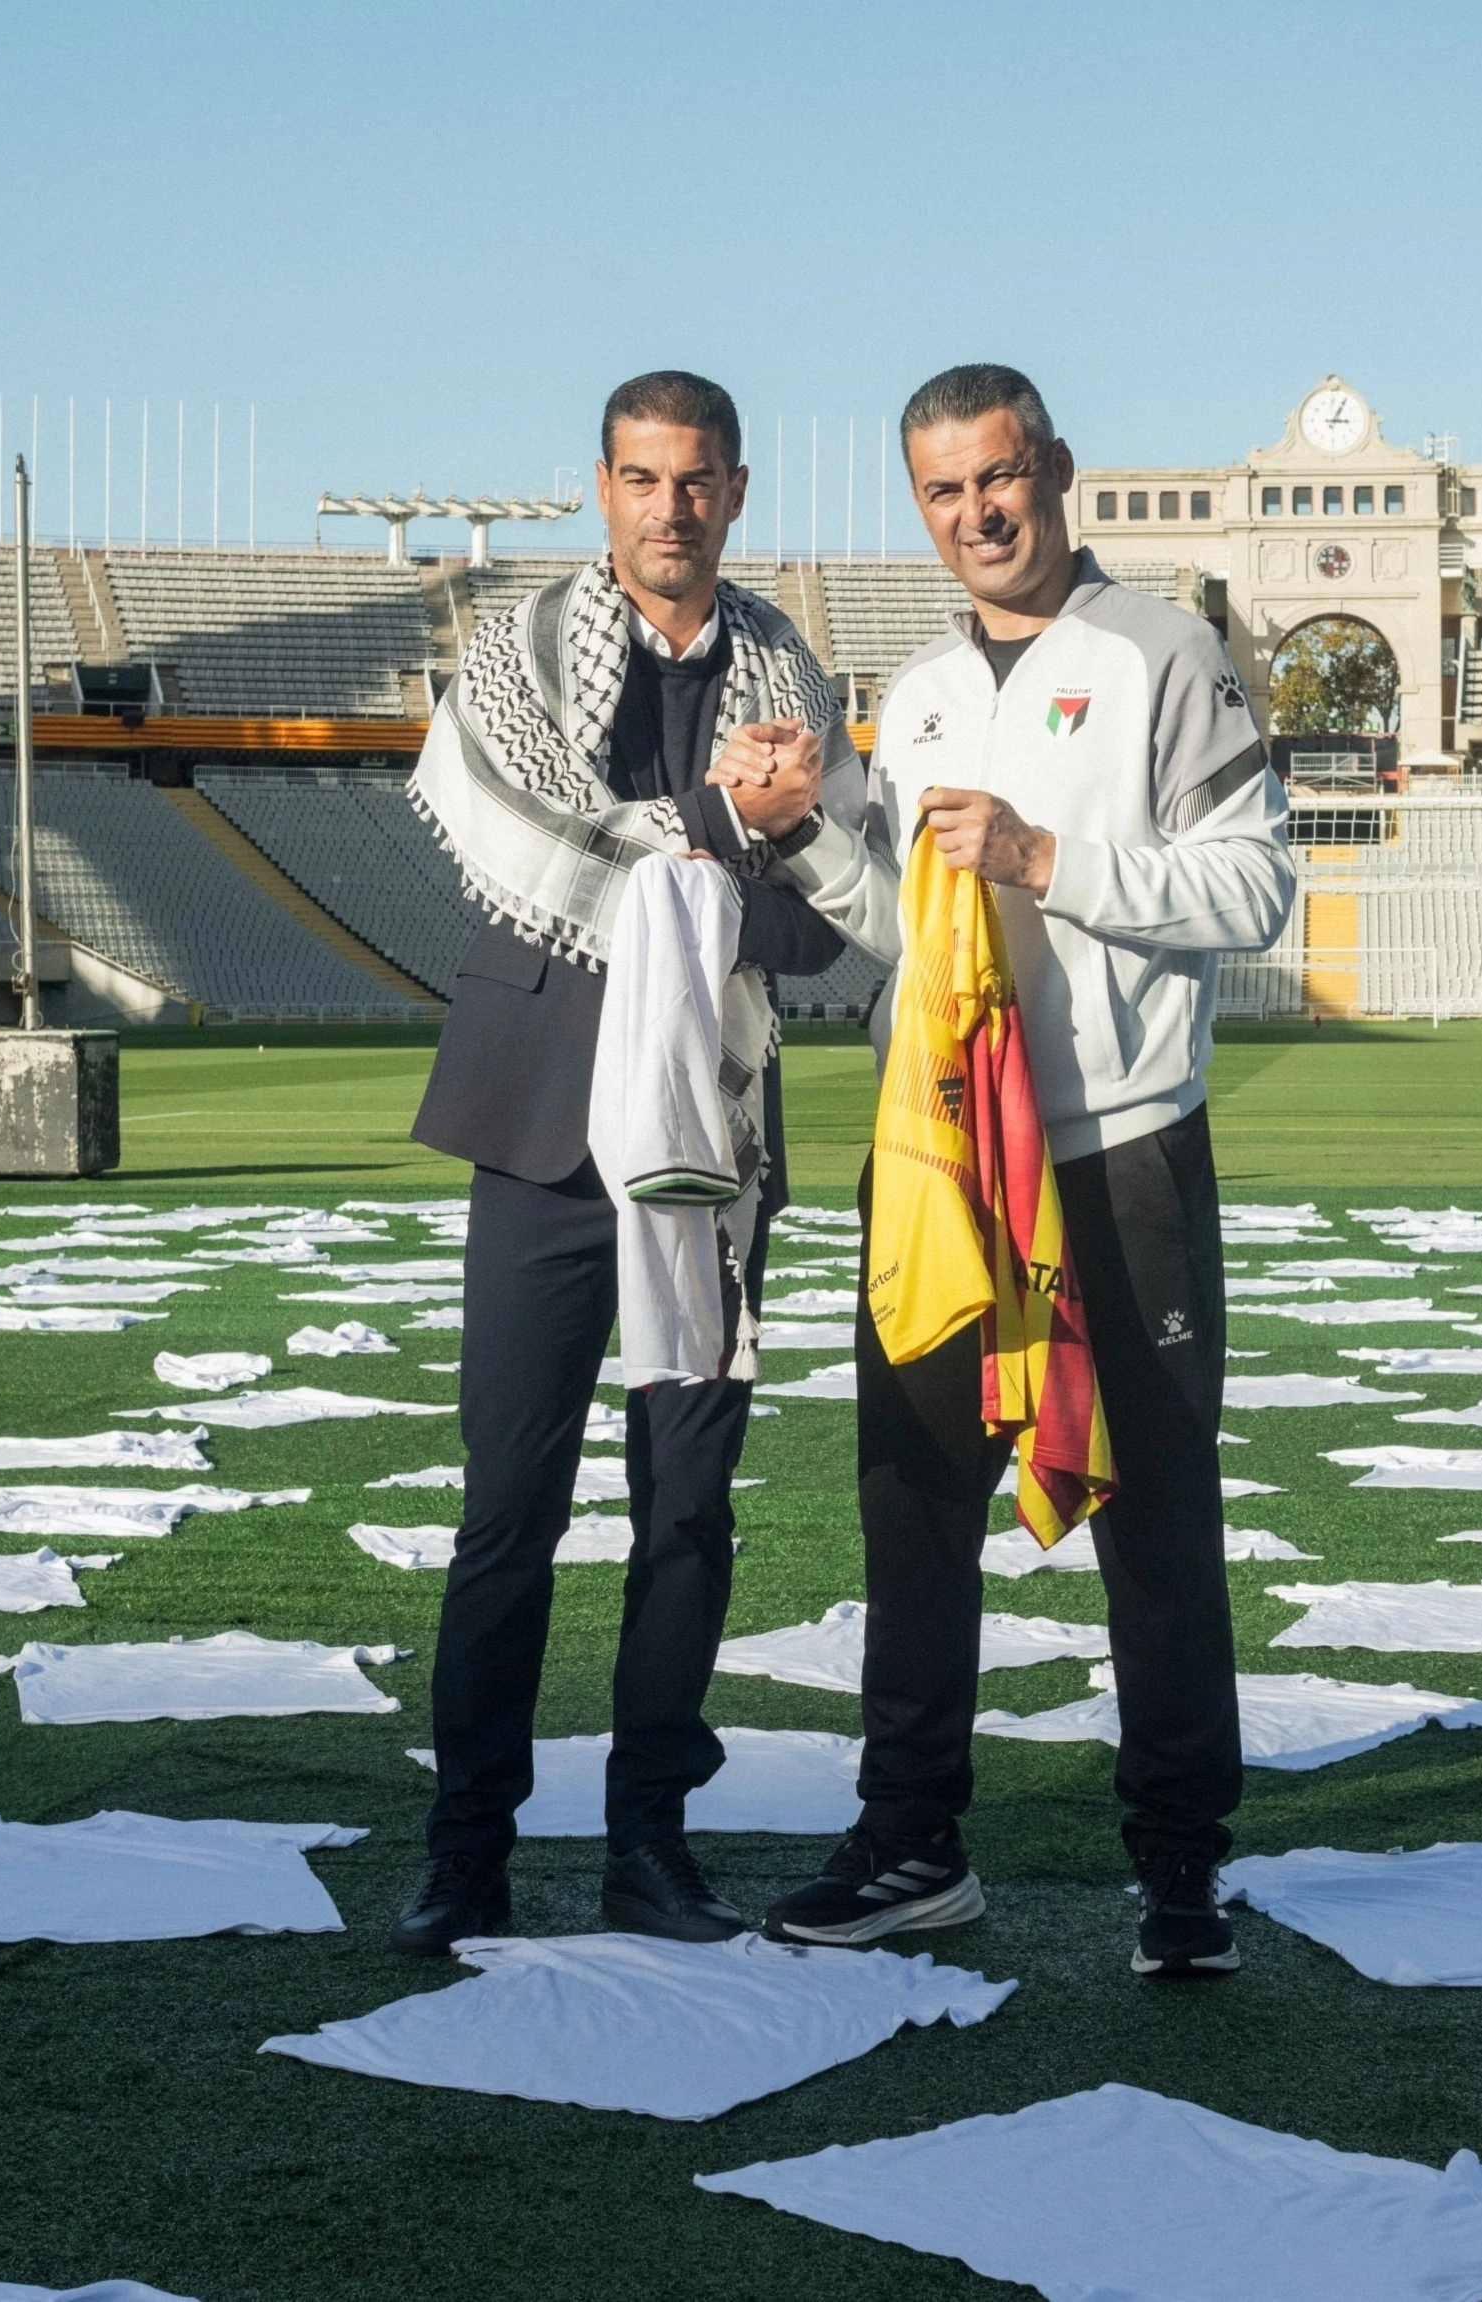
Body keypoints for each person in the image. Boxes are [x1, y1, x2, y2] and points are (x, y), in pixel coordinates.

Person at [761, 362, 1295, 1978]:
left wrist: (1045, 854)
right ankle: (913, 1838)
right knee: (911, 1505)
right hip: (939, 1155)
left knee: (1150, 1510)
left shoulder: (1160, 652)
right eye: (941, 491)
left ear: (1054, 470)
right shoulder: (913, 695)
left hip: (1116, 1147)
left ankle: (1181, 1861)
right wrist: (803, 832)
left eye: (998, 477)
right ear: (916, 505)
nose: (977, 513)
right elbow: (904, 929)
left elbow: (1256, 884)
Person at [389, 369, 851, 1954]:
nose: (672, 507)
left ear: (736, 490)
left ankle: (649, 1841)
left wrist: (741, 843)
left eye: (699, 480)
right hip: (536, 1125)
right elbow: (523, 838)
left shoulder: (788, 667)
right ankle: (466, 1848)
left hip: (709, 1145)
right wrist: (728, 823)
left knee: (686, 1515)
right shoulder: (518, 646)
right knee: (507, 1507)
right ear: (601, 489)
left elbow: (812, 918)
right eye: (644, 479)